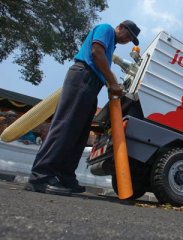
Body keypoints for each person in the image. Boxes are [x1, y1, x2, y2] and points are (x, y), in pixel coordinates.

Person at [25, 20, 141, 196]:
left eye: (131, 39)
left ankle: (65, 177)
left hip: (92, 85)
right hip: (83, 77)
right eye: (128, 35)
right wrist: (112, 81)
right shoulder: (107, 29)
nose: (127, 40)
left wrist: (110, 83)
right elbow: (96, 52)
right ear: (120, 28)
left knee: (79, 133)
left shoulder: (112, 45)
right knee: (65, 126)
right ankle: (40, 176)